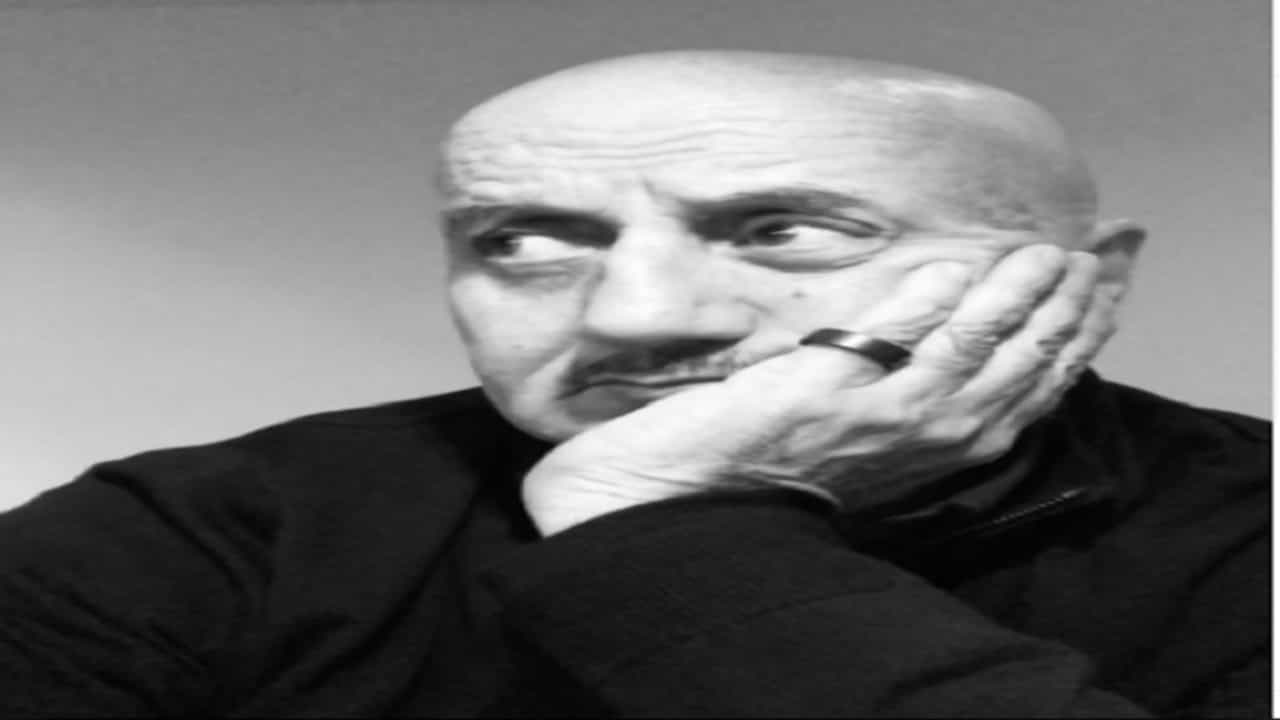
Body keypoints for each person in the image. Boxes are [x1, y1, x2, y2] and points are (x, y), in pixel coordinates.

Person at [1, 51, 1267, 717]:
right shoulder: (209, 531)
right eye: (523, 242)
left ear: (1089, 279)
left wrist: (657, 523)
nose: (635, 315)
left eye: (784, 232)